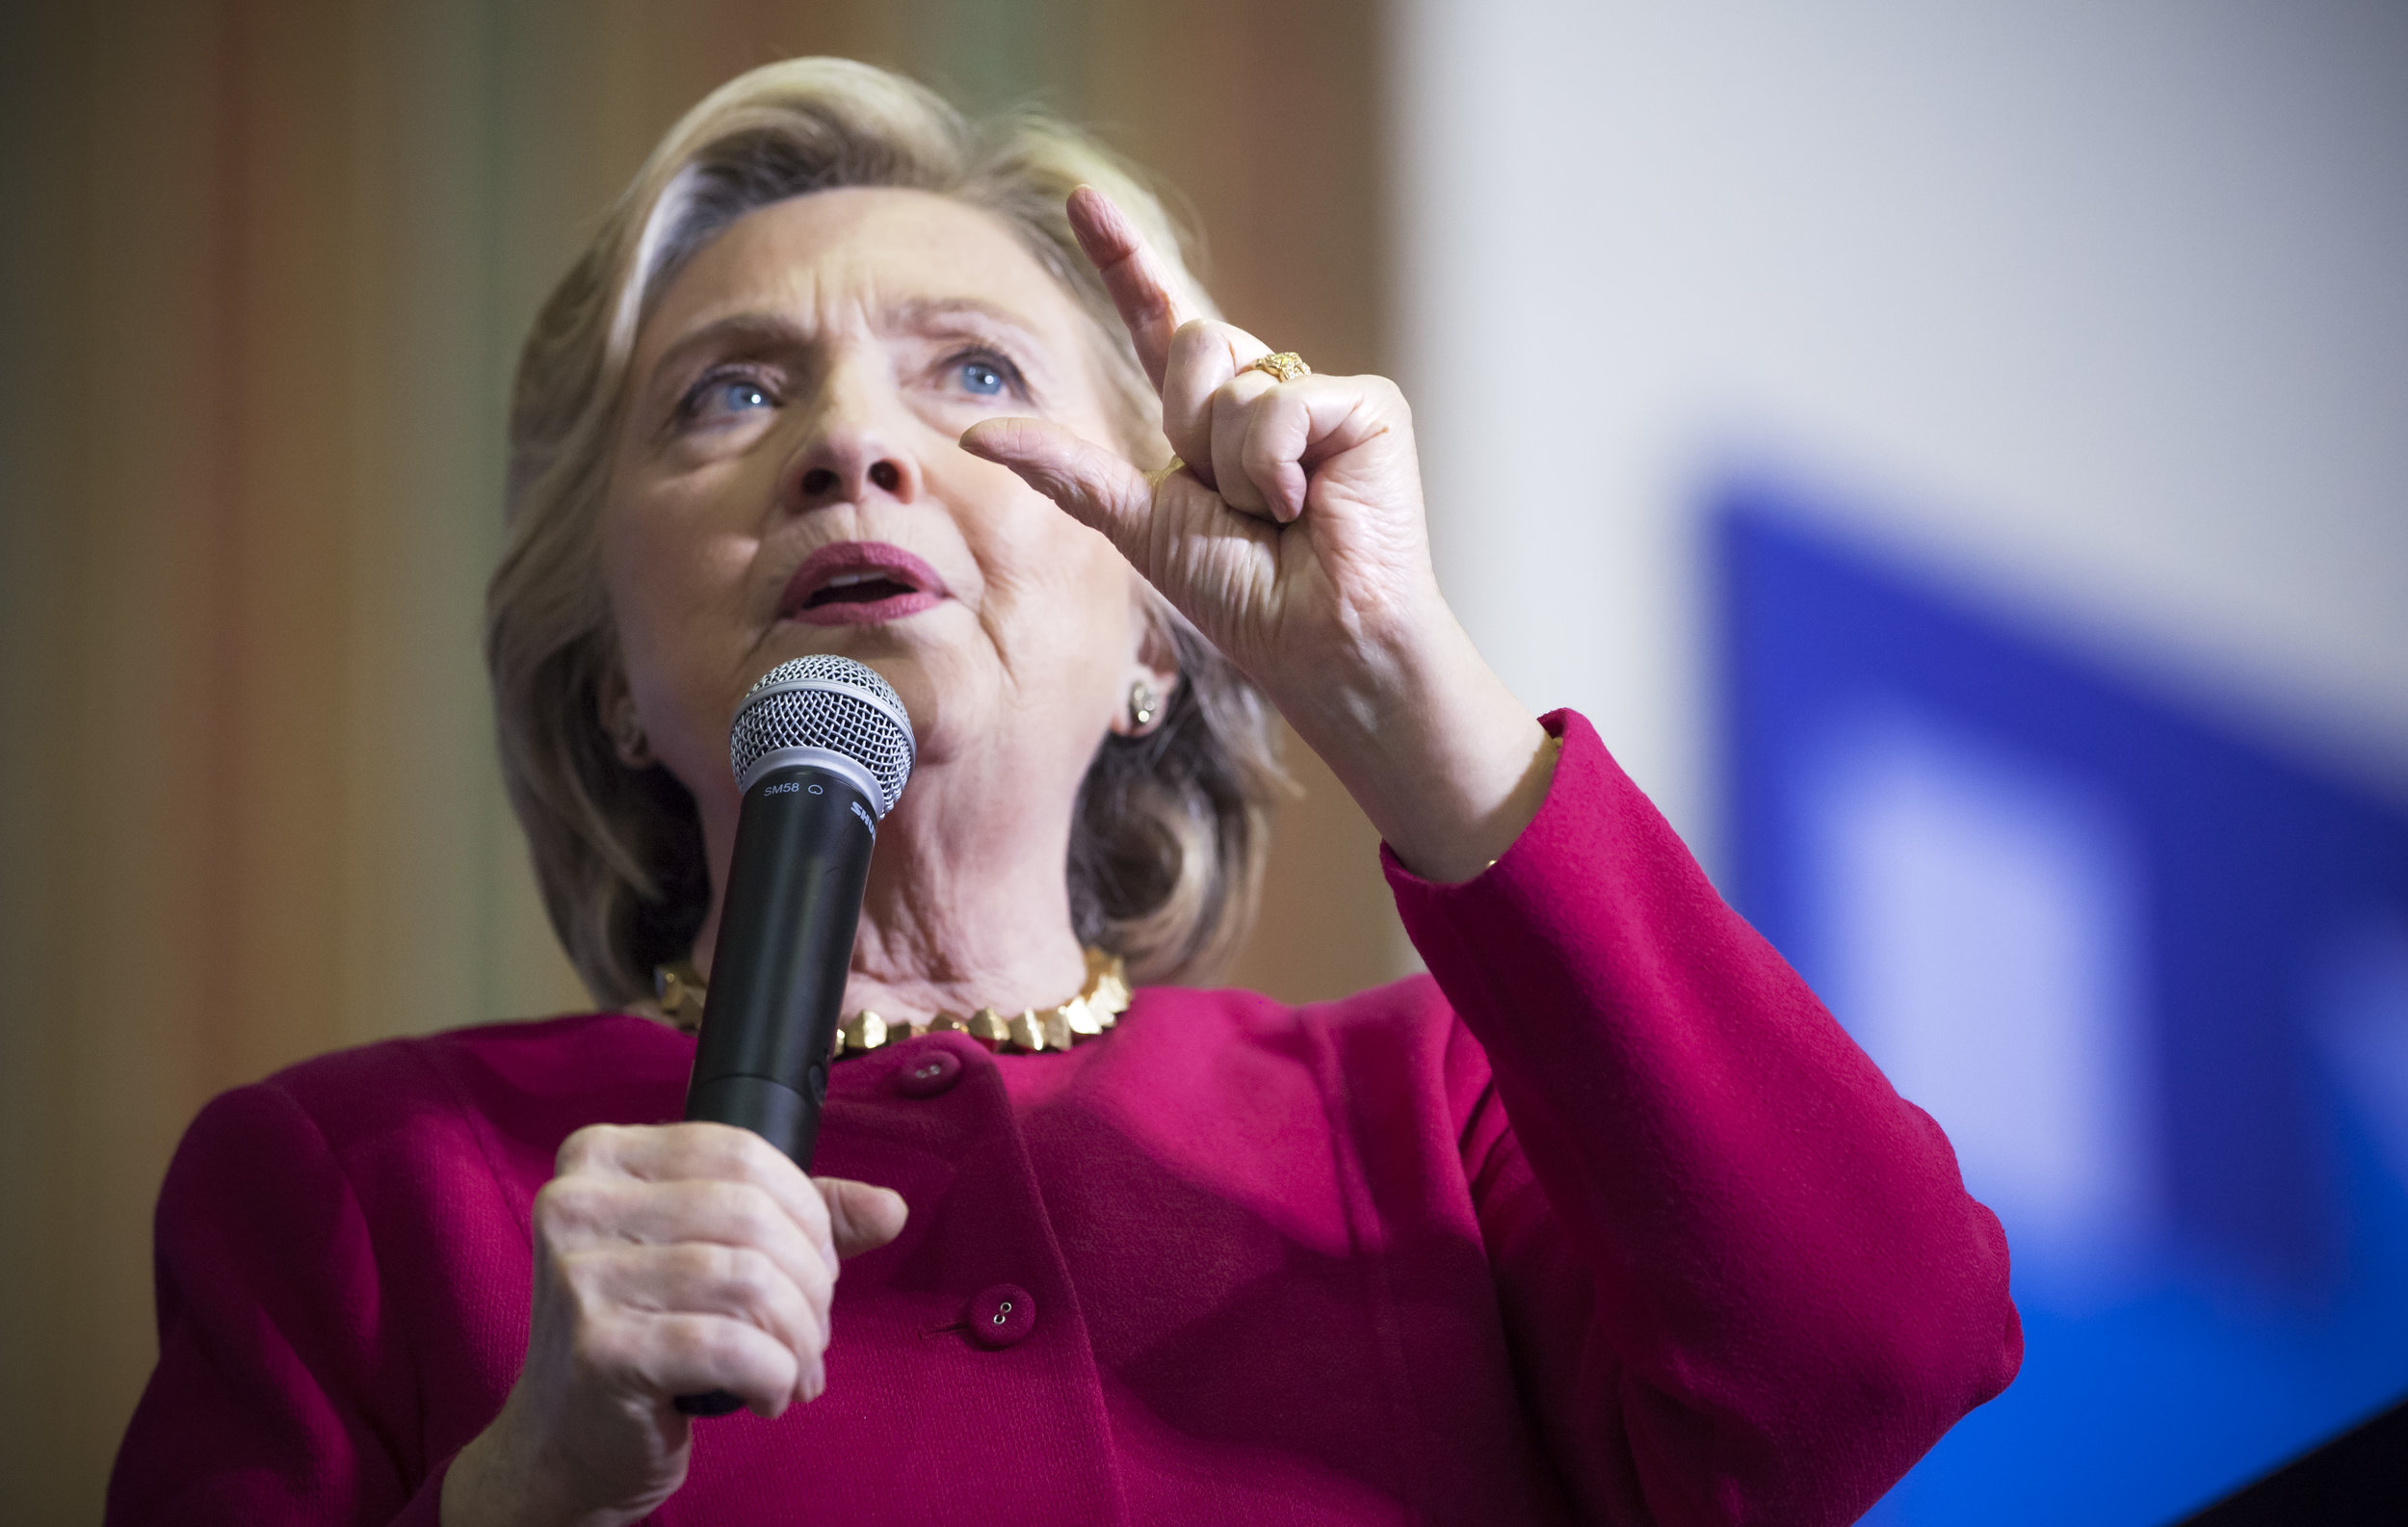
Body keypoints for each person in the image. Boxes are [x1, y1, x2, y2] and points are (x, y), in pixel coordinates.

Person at [107, 58, 2019, 1527]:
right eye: (726, 394)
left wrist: (1383, 666)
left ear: (1158, 635)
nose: (852, 441)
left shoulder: (1431, 1119)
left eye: (974, 377)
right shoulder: (356, 1186)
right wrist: (517, 1493)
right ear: (607, 672)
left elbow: (1882, 1344)